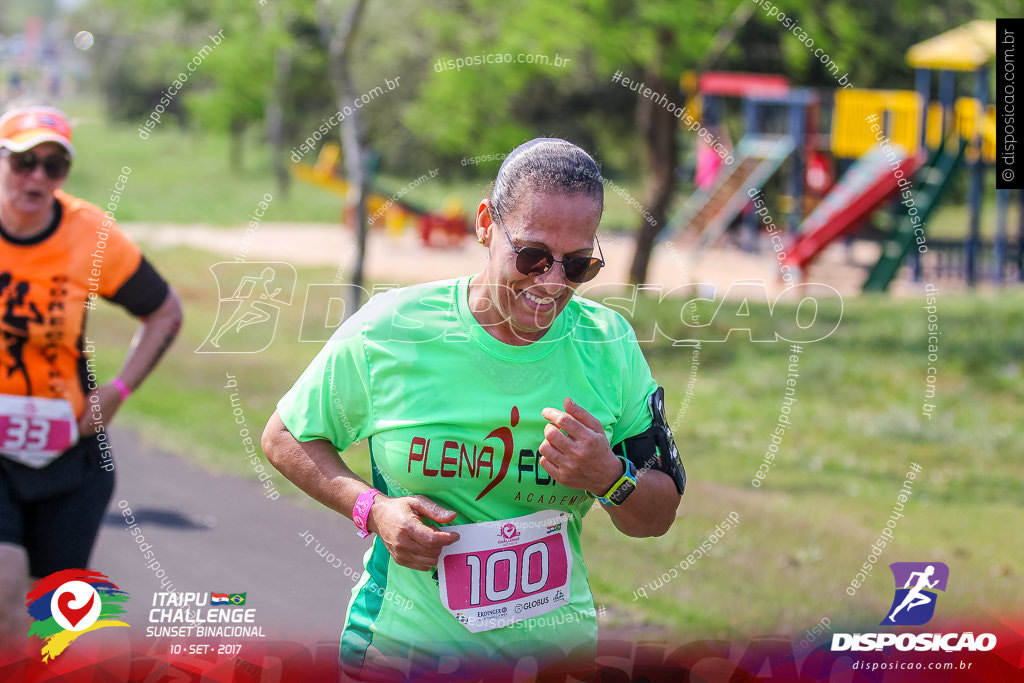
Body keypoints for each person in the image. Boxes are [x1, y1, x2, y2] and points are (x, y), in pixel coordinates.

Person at [262, 138, 685, 680]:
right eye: (532, 256)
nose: (552, 283)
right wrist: (372, 509)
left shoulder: (609, 344)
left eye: (578, 265)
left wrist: (608, 475)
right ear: (486, 223)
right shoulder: (393, 329)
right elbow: (286, 437)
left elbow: (658, 514)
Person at [0, 105, 183, 638]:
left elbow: (164, 312)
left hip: (69, 451)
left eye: (53, 166)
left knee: (56, 624)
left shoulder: (89, 234)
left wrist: (118, 391)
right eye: (25, 160)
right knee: (5, 584)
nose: (37, 176)